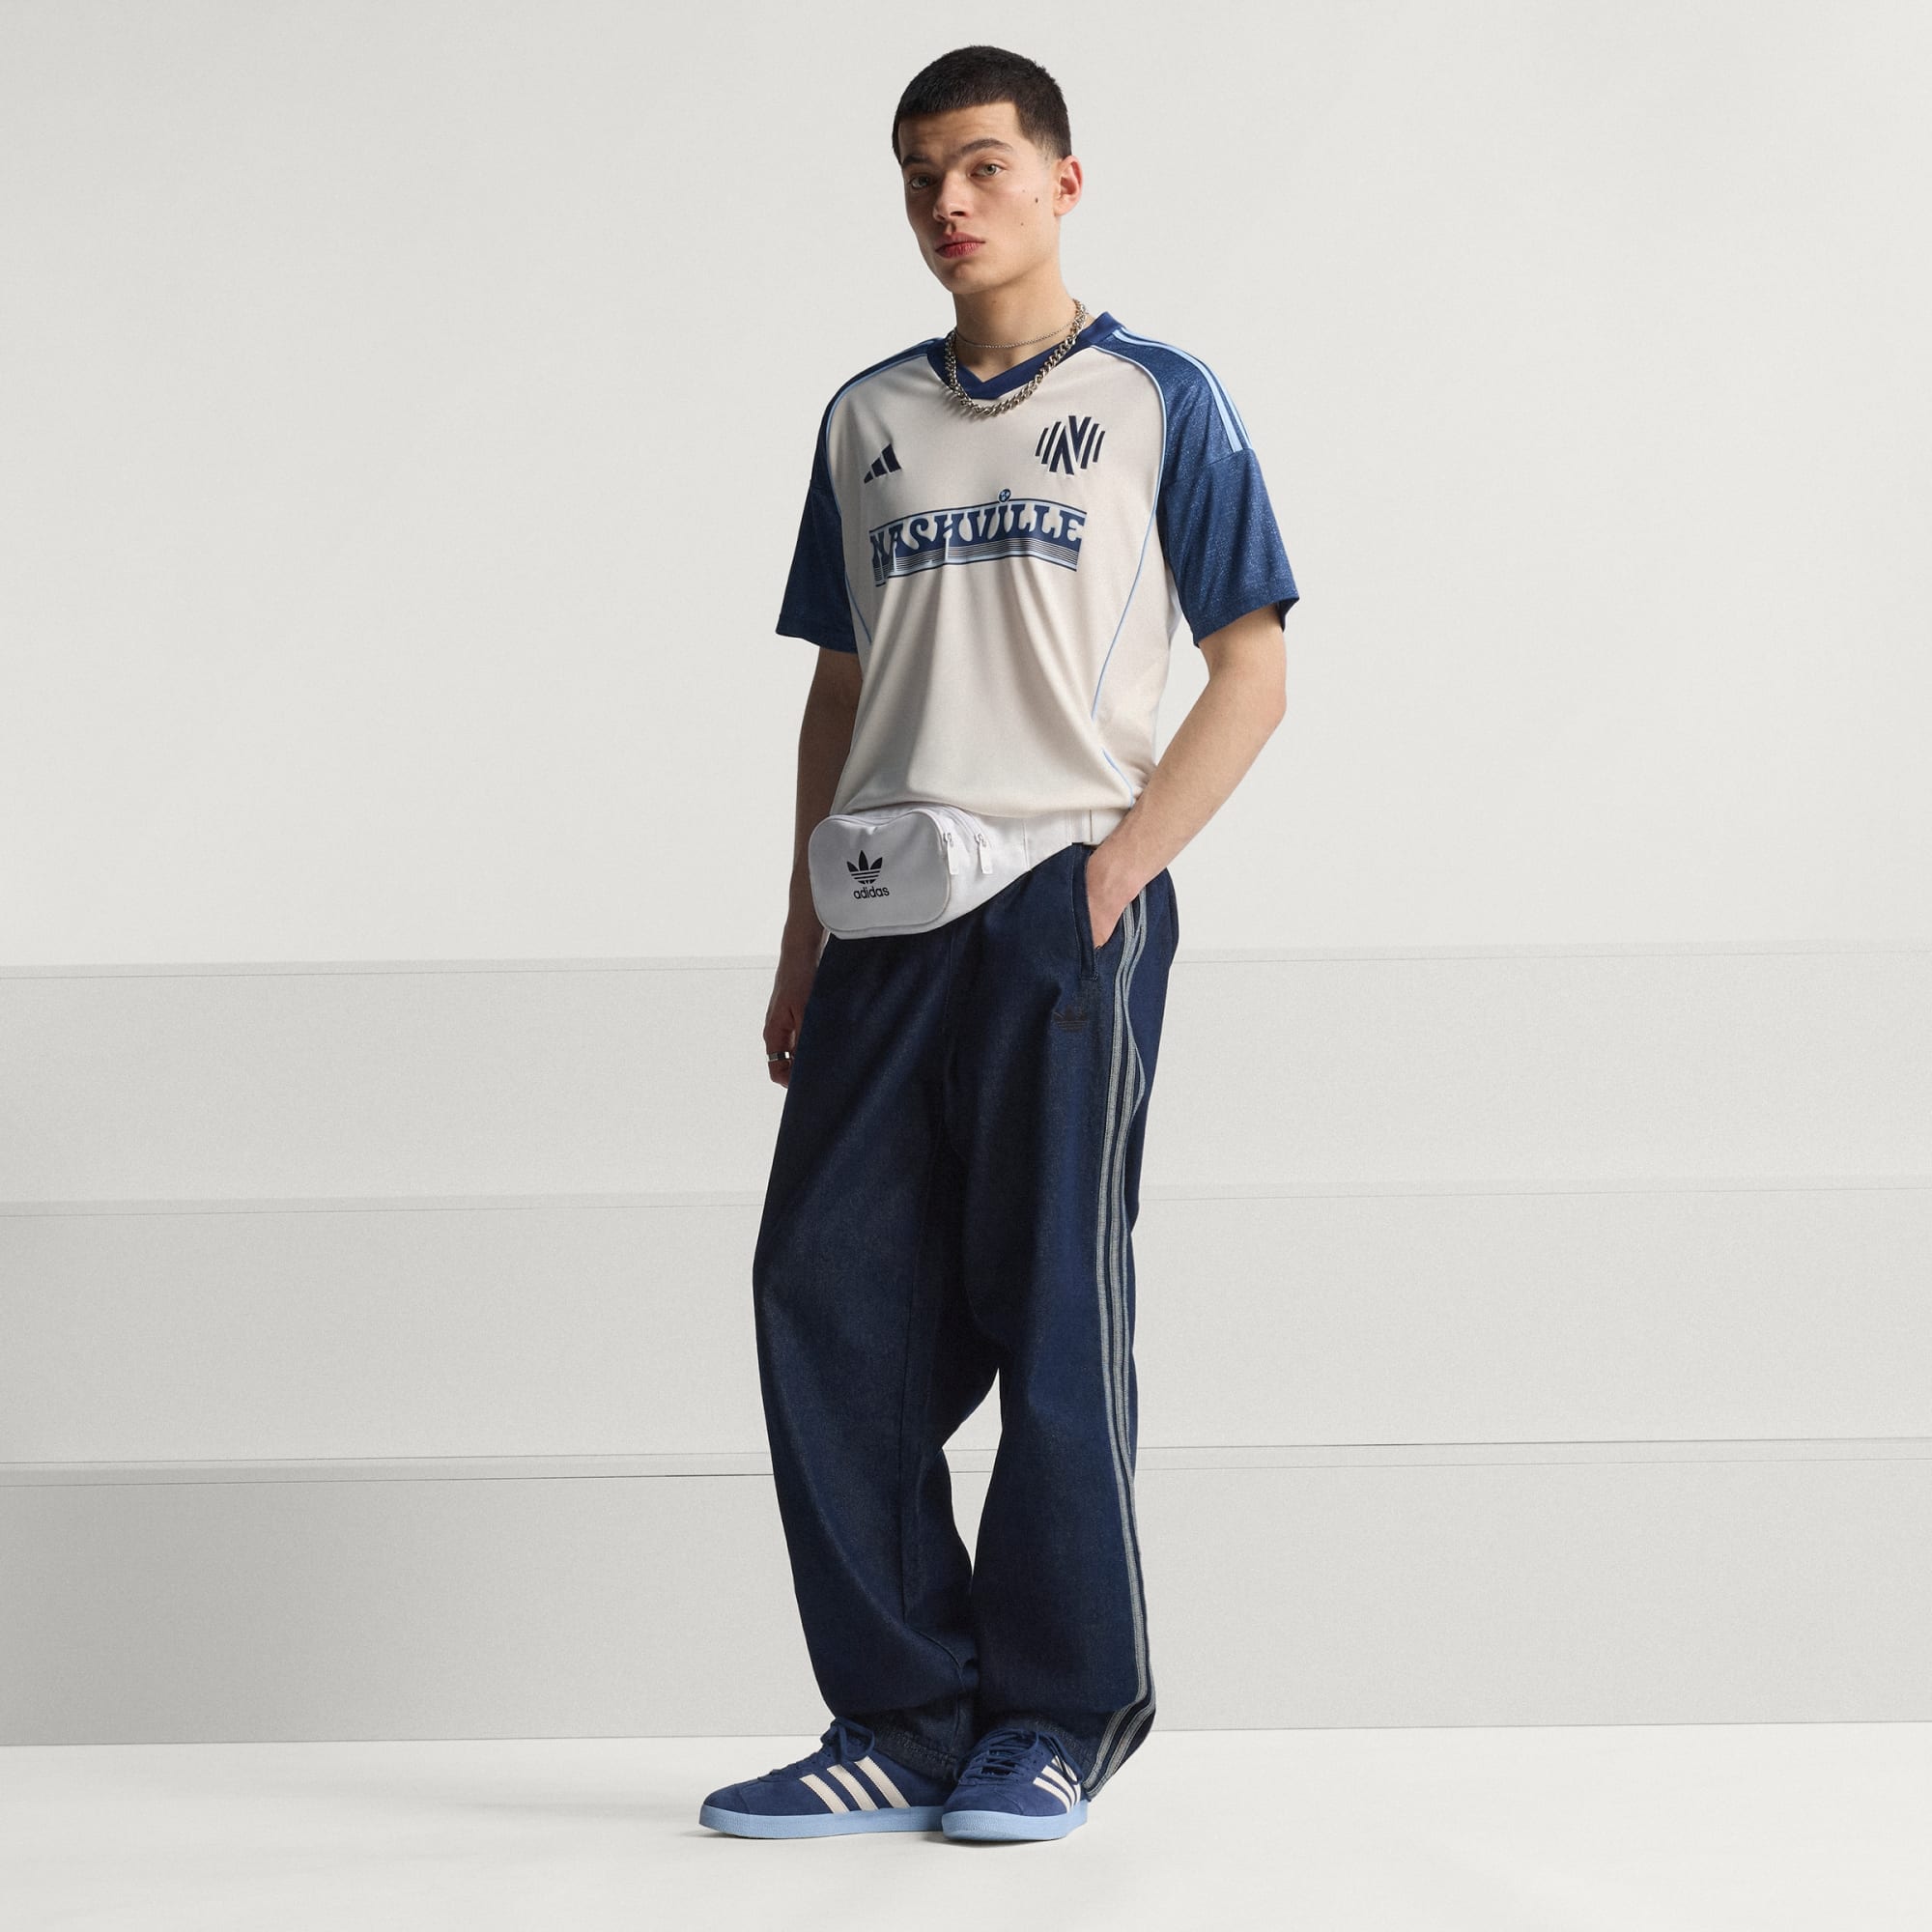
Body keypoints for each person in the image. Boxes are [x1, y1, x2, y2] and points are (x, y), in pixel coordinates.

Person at [699, 43, 1299, 1844]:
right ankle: (899, 1715)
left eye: (979, 166)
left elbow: (1253, 669)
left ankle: (1055, 1716)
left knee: (1050, 1305)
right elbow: (842, 688)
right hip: (883, 911)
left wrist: (1114, 880)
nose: (946, 203)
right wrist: (800, 937)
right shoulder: (864, 419)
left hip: (1058, 902)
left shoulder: (1158, 399)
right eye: (918, 175)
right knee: (823, 1295)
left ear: (1062, 180)